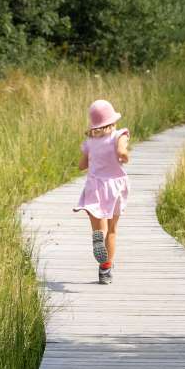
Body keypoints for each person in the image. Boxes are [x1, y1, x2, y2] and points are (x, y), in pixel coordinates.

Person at [73, 99, 130, 284]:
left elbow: (82, 165)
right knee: (113, 230)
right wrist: (123, 154)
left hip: (94, 186)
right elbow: (121, 149)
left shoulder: (90, 141)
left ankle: (99, 237)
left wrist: (91, 157)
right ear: (112, 120)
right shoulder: (119, 135)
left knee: (100, 226)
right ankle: (105, 271)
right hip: (114, 186)